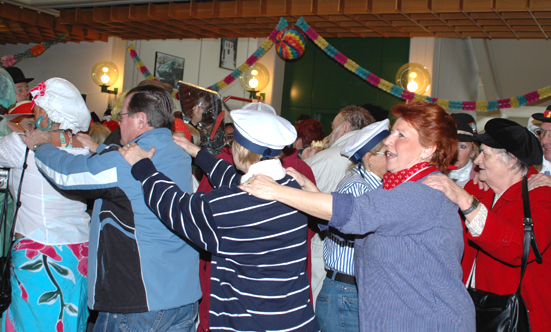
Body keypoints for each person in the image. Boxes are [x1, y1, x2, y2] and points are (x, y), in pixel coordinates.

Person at [242, 101, 476, 331]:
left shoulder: (423, 192)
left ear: (429, 148)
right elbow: (356, 227)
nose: (388, 141)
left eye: (401, 135)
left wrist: (277, 191)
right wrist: (310, 191)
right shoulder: (402, 186)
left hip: (427, 320)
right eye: (391, 133)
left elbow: (354, 213)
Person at [119, 108, 319, 332]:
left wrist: (143, 167)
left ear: (241, 148)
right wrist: (196, 152)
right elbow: (235, 180)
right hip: (297, 320)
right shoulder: (292, 187)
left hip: (251, 324)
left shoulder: (232, 206)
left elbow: (176, 207)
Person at [24, 85, 201, 332]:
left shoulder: (124, 164)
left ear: (141, 119)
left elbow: (67, 174)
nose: (120, 124)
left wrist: (41, 145)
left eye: (123, 117)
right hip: (182, 298)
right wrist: (103, 150)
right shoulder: (177, 153)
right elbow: (128, 166)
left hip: (139, 303)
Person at [424, 118, 551, 332]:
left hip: (519, 319)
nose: (477, 161)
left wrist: (465, 201)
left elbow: (517, 249)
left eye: (486, 154)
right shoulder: (479, 189)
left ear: (511, 160)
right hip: (470, 314)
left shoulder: (541, 197)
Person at [0, 77, 91, 332]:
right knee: (69, 321)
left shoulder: (23, 147)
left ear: (48, 113)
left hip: (38, 252)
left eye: (37, 109)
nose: (33, 113)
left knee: (33, 322)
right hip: (79, 251)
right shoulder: (85, 146)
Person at [316, 119, 389, 332]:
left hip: (353, 291)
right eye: (387, 153)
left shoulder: (374, 186)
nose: (394, 157)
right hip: (346, 292)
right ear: (369, 158)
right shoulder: (357, 187)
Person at [300, 105, 375, 309]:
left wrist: (303, 165)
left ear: (344, 130)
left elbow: (297, 197)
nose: (329, 135)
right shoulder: (382, 160)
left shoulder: (324, 158)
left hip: (324, 251)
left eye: (332, 128)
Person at [448, 113, 479, 187]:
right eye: (450, 145)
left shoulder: (483, 180)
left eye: (462, 147)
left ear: (473, 152)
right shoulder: (430, 174)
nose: (455, 152)